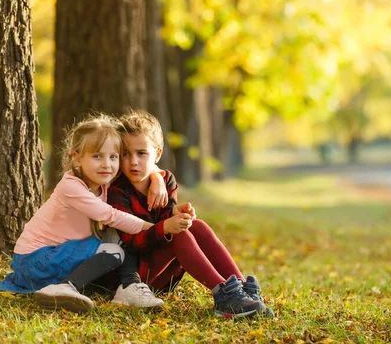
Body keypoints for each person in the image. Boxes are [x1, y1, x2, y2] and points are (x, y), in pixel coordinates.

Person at [107, 110, 274, 318]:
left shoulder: (166, 180)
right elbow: (130, 241)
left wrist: (175, 212)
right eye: (125, 153)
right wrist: (167, 226)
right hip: (135, 279)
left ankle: (240, 289)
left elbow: (165, 214)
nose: (133, 162)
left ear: (157, 154)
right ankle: (223, 296)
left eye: (141, 153)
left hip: (163, 269)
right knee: (179, 233)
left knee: (198, 225)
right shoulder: (116, 191)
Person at [0, 114, 168, 313]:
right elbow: (110, 216)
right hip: (35, 260)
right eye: (97, 156)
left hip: (56, 254)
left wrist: (157, 177)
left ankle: (128, 287)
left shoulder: (102, 180)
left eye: (113, 157)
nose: (107, 164)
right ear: (76, 157)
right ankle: (65, 287)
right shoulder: (71, 187)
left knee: (117, 236)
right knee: (115, 250)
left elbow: (141, 164)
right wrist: (154, 228)